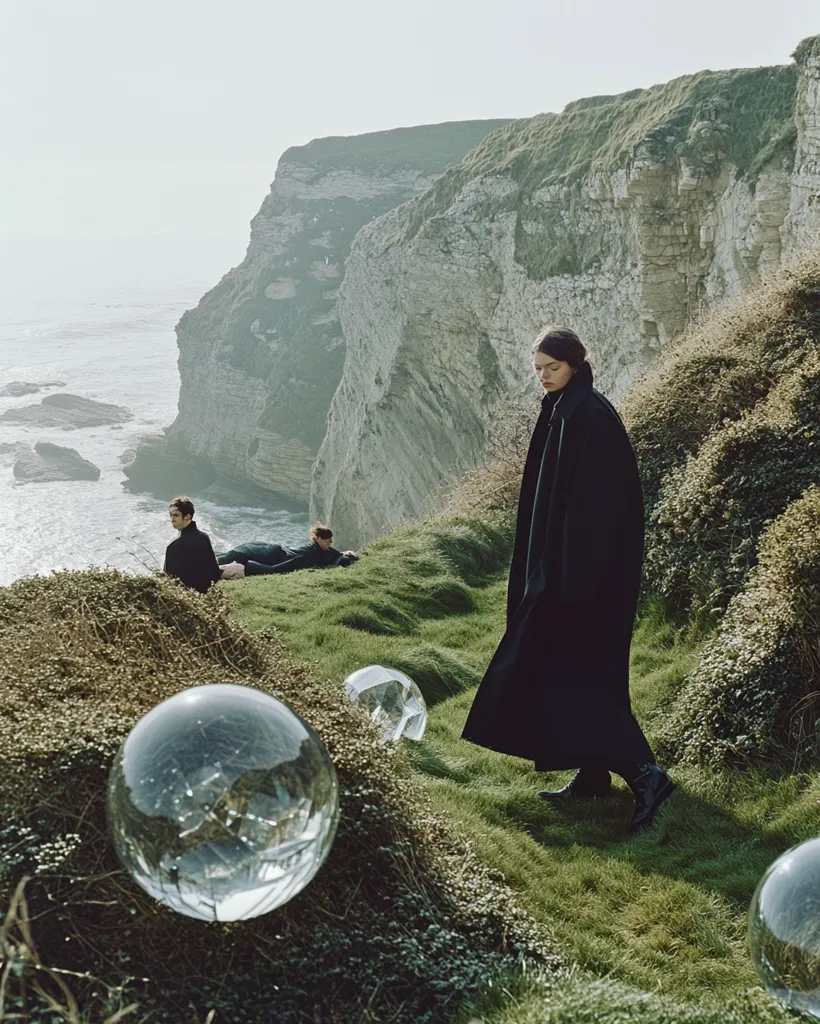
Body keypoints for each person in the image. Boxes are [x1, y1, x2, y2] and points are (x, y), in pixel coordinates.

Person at [461, 325, 675, 835]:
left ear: (575, 363)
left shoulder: (591, 416)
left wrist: (563, 583)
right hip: (560, 572)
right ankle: (592, 774)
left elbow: (597, 515)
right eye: (537, 369)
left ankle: (646, 775)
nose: (543, 378)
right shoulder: (562, 408)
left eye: (551, 368)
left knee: (583, 675)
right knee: (572, 672)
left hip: (585, 581)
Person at [217, 523, 358, 579]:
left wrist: (347, 554)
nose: (330, 544)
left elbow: (339, 556)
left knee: (234, 556)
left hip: (277, 555)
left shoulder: (322, 550)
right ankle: (205, 559)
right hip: (274, 553)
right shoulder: (314, 550)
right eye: (328, 541)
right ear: (319, 539)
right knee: (234, 555)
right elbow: (336, 556)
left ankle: (207, 561)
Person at [164, 495, 221, 594]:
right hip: (205, 594)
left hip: (185, 598)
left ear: (187, 516)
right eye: (171, 515)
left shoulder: (175, 546)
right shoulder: (204, 537)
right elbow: (215, 573)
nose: (172, 519)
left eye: (176, 515)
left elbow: (168, 581)